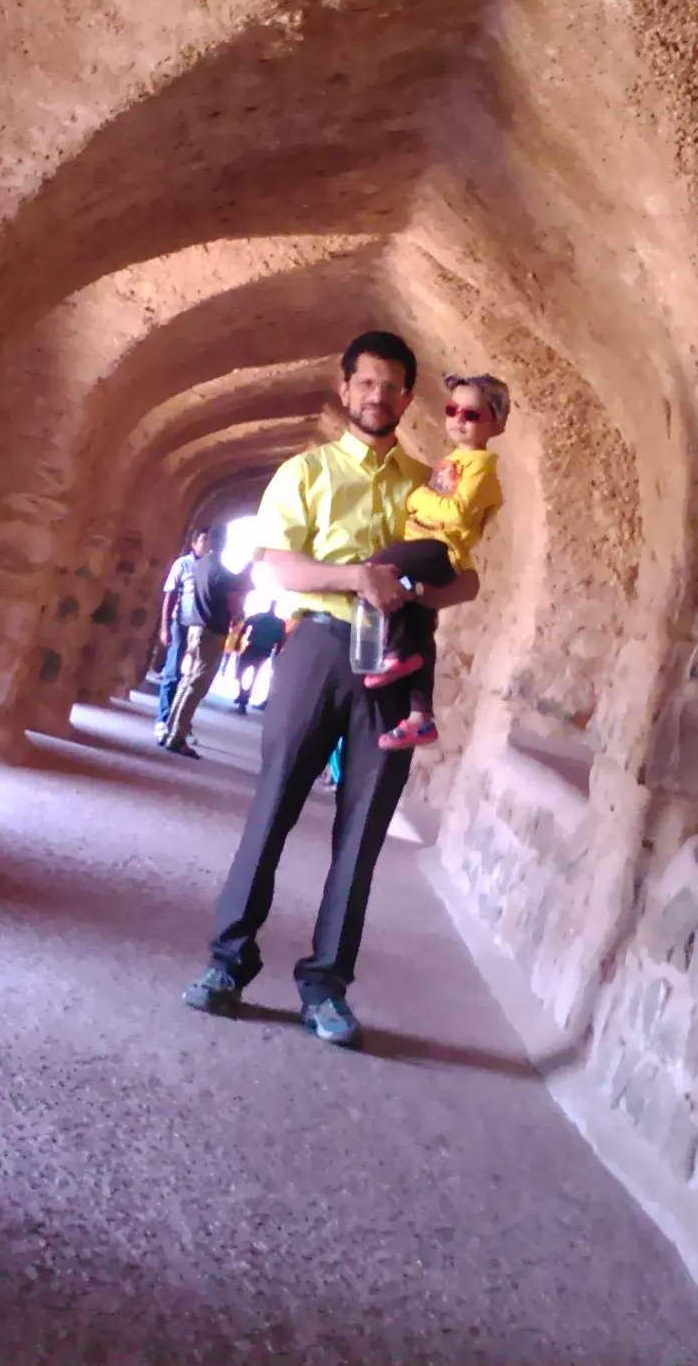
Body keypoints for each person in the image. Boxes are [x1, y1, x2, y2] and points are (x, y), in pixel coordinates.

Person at [182, 330, 477, 1048]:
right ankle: (229, 963)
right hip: (317, 645)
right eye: (366, 383)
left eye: (393, 385)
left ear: (409, 397)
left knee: (364, 828)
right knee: (275, 802)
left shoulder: (430, 484)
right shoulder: (306, 472)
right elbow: (279, 565)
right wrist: (356, 579)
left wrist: (419, 594)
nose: (379, 395)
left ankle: (326, 985)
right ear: (345, 390)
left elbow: (465, 575)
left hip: (396, 658)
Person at [360, 373, 509, 750]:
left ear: (496, 423)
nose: (459, 419)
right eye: (452, 410)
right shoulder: (454, 461)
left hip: (440, 548)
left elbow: (456, 514)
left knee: (376, 570)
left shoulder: (482, 468)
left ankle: (393, 652)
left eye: (471, 415)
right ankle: (419, 717)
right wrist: (426, 498)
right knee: (418, 622)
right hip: (424, 542)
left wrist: (417, 499)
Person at [157, 556, 237, 754]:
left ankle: (169, 730)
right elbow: (234, 606)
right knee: (196, 686)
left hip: (196, 627)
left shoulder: (201, 567)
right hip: (212, 631)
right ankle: (177, 736)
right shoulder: (220, 572)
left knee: (187, 682)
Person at [149, 531, 217, 751]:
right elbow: (170, 596)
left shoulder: (212, 567)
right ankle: (163, 720)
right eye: (204, 540)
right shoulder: (183, 564)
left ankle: (181, 725)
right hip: (181, 624)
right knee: (173, 672)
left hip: (201, 627)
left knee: (192, 679)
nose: (208, 545)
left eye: (211, 541)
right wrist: (164, 628)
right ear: (194, 542)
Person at [229, 607, 287, 709]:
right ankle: (244, 695)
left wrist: (238, 641)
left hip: (254, 648)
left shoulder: (258, 617)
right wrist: (277, 653)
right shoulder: (279, 623)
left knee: (241, 671)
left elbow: (244, 627)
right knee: (252, 674)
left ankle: (244, 694)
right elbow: (281, 639)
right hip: (264, 651)